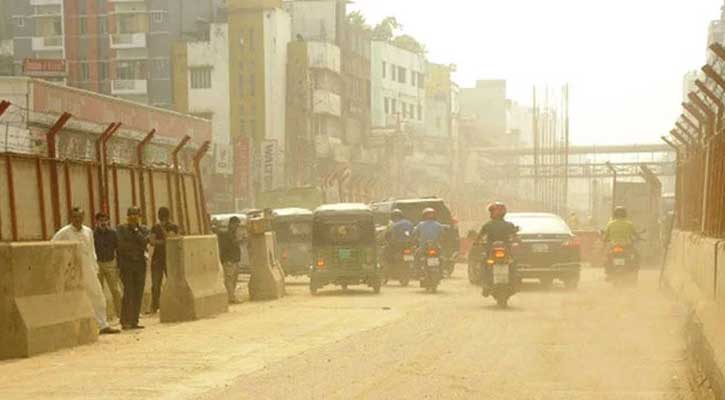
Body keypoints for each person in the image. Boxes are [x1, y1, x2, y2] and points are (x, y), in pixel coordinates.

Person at [52, 207, 120, 335]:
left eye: (80, 217)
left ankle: (102, 325)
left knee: (98, 295)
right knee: (74, 298)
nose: (77, 219)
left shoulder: (88, 231)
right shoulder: (64, 232)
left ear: (83, 217)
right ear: (71, 218)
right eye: (75, 217)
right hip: (72, 271)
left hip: (89, 268)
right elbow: (53, 246)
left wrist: (95, 266)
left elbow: (91, 250)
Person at [117, 207, 149, 330]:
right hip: (127, 265)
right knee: (128, 292)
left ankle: (134, 320)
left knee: (138, 292)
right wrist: (134, 250)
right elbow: (121, 245)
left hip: (140, 265)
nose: (133, 217)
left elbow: (144, 242)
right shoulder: (121, 229)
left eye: (136, 214)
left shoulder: (144, 229)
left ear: (139, 216)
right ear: (127, 216)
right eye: (131, 214)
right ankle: (125, 320)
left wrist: (135, 230)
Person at [477, 202, 519, 296]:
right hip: (505, 253)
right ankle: (513, 284)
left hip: (492, 253)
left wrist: (477, 243)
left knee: (484, 263)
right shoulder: (509, 225)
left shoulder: (487, 225)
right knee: (513, 263)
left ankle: (485, 285)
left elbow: (479, 238)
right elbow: (516, 237)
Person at [148, 207, 178, 314]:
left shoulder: (173, 227)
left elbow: (170, 240)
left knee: (171, 283)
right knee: (156, 284)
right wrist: (162, 241)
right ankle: (155, 306)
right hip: (158, 259)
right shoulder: (155, 227)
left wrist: (161, 238)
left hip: (169, 259)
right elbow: (152, 241)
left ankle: (172, 304)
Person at [93, 211, 123, 319]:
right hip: (98, 263)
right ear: (96, 222)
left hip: (110, 263)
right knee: (99, 291)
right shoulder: (93, 234)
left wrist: (119, 265)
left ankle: (121, 315)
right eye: (101, 220)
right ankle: (101, 317)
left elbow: (118, 248)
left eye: (105, 220)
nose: (103, 223)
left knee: (116, 290)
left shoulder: (113, 233)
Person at [603, 206, 641, 277]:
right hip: (626, 246)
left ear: (614, 214)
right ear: (625, 214)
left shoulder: (610, 224)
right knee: (637, 257)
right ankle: (634, 272)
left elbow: (605, 237)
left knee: (606, 256)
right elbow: (635, 235)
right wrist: (638, 238)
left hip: (613, 246)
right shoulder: (629, 224)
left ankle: (608, 272)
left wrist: (605, 240)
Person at [217, 217, 243, 304]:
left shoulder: (233, 234)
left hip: (234, 259)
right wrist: (226, 259)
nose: (237, 227)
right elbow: (224, 248)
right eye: (236, 225)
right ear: (232, 224)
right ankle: (231, 297)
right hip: (229, 260)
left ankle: (231, 296)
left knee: (234, 279)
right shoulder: (226, 234)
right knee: (229, 279)